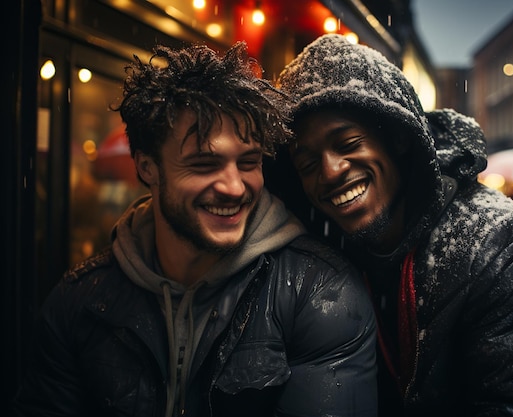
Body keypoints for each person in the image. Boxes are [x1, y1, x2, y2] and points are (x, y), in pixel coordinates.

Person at [14, 42, 377, 417]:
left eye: (248, 162)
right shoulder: (79, 301)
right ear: (147, 168)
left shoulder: (319, 291)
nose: (234, 187)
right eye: (205, 164)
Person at [271, 34, 513, 416]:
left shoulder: (503, 246)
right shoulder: (316, 247)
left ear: (399, 139)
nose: (330, 172)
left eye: (348, 142)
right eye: (307, 164)